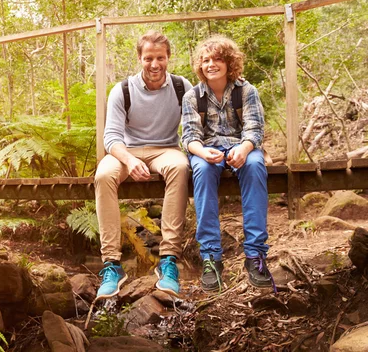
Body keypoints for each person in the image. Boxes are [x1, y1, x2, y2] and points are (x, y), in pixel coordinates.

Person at [94, 30, 193, 299]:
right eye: (148, 58)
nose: (154, 64)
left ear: (168, 58)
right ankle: (112, 265)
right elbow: (111, 137)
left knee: (180, 167)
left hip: (166, 149)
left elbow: (194, 128)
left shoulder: (182, 87)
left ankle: (169, 260)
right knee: (103, 175)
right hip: (127, 151)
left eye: (160, 57)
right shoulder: (123, 90)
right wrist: (129, 159)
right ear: (140, 58)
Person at [181, 35, 274, 292]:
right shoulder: (192, 97)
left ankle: (255, 255)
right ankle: (211, 258)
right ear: (200, 65)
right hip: (207, 148)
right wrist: (202, 152)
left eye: (218, 59)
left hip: (242, 146)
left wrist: (244, 149)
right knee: (201, 169)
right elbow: (189, 137)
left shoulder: (246, 91)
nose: (211, 64)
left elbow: (255, 129)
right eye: (206, 60)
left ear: (229, 62)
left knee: (255, 166)